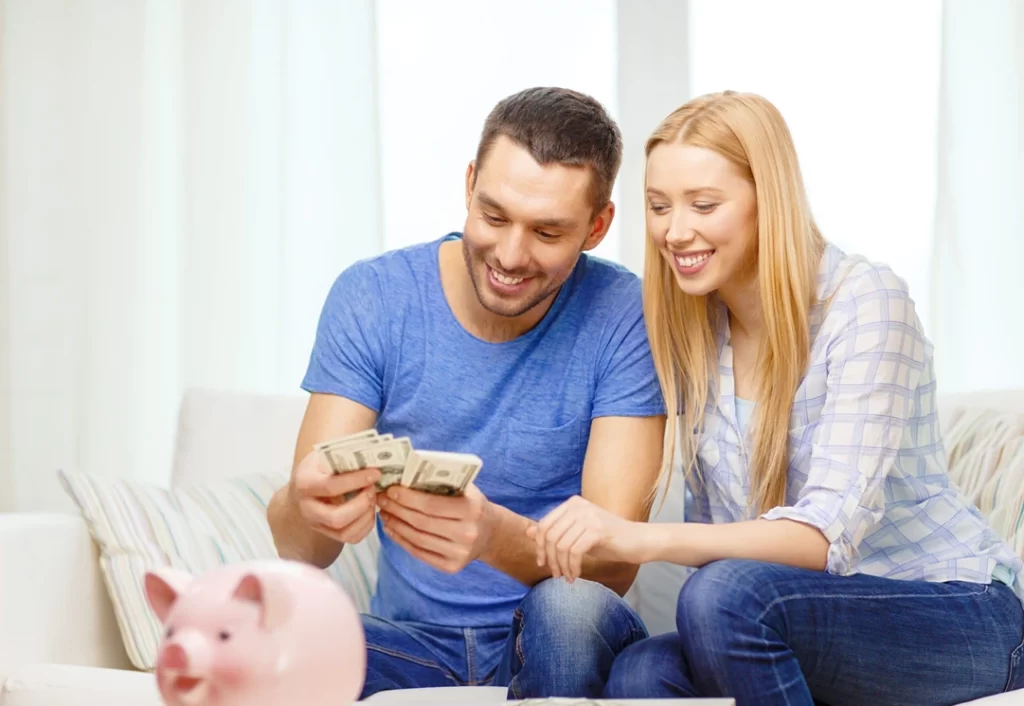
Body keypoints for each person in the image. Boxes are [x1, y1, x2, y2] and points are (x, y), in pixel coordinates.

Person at [527, 90, 1024, 706]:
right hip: (803, 619)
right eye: (658, 206)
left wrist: (636, 536)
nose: (675, 231)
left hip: (959, 612)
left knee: (720, 596)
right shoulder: (695, 331)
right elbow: (726, 547)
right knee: (639, 674)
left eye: (704, 204)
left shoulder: (866, 304)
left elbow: (823, 538)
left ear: (769, 202)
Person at [266, 86, 666, 700]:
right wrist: (306, 503)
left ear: (598, 226)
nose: (510, 255)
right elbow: (307, 549)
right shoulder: (375, 297)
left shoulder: (624, 314)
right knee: (285, 633)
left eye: (548, 233)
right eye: (494, 216)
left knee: (568, 611)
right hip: (411, 642)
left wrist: (490, 537)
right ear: (470, 183)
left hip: (551, 638)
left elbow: (612, 567)